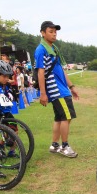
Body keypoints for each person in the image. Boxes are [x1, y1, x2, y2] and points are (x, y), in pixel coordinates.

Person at [35, 20, 80, 158]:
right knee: (66, 117)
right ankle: (64, 146)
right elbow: (40, 72)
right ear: (43, 33)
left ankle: (54, 145)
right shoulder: (41, 49)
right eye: (51, 31)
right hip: (56, 91)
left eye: (55, 32)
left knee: (59, 118)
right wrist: (43, 93)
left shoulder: (53, 49)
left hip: (63, 89)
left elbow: (60, 70)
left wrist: (71, 86)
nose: (54, 34)